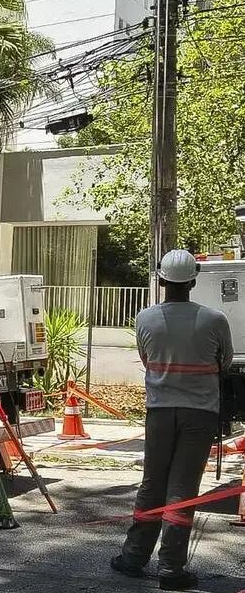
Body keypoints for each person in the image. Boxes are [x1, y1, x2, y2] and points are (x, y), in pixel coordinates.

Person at [111, 249, 232, 591]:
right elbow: (222, 364)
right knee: (183, 490)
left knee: (153, 485)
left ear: (162, 280)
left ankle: (134, 558)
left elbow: (145, 358)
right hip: (200, 415)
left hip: (160, 413)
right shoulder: (214, 320)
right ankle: (170, 568)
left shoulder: (145, 319)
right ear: (193, 281)